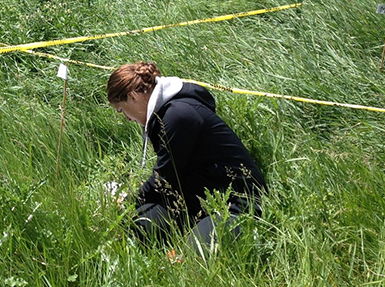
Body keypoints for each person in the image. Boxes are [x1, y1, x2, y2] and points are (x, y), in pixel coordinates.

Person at [107, 61, 267, 253]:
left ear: (133, 97)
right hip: (197, 196)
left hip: (237, 202)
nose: (125, 117)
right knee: (136, 228)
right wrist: (132, 207)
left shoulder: (178, 115)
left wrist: (129, 202)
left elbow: (164, 178)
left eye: (121, 109)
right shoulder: (163, 115)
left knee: (192, 256)